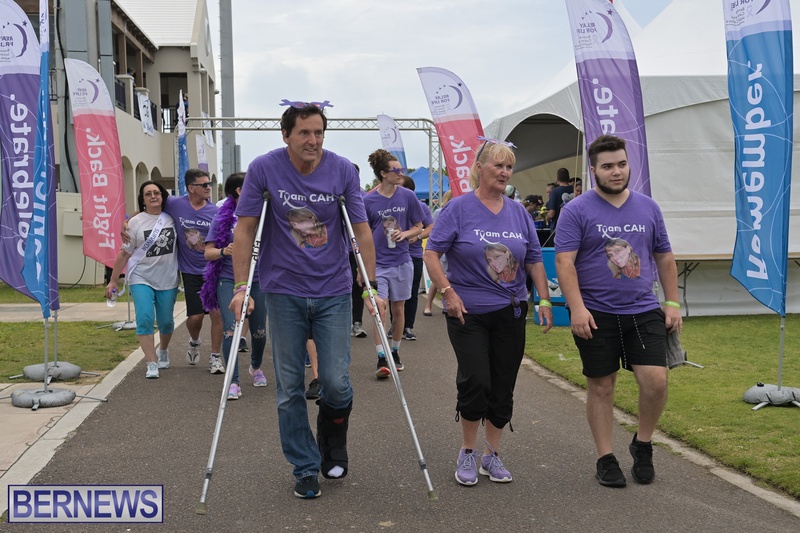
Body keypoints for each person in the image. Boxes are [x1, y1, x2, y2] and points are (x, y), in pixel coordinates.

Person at [230, 101, 384, 499]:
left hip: (333, 290)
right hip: (283, 290)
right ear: (286, 135)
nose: (313, 140)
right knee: (289, 387)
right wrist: (241, 286)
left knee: (335, 382)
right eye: (304, 133)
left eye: (318, 132)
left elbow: (361, 231)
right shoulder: (264, 168)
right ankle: (304, 466)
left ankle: (332, 434)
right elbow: (245, 230)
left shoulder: (342, 170)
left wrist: (370, 286)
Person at [554, 134, 682, 488]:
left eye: (622, 164)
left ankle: (643, 444)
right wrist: (576, 308)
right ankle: (605, 458)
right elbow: (564, 262)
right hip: (595, 312)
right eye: (608, 166)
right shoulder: (576, 210)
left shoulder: (648, 208)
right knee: (602, 386)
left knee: (656, 381)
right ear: (593, 169)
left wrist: (672, 302)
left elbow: (664, 256)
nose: (617, 172)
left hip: (643, 309)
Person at [423, 139, 553, 487]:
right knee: (477, 380)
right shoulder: (458, 208)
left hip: (510, 311)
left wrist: (543, 299)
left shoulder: (518, 213)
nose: (505, 172)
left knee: (502, 384)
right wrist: (447, 292)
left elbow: (533, 259)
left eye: (509, 166)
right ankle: (467, 450)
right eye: (498, 165)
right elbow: (432, 253)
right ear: (479, 168)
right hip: (467, 312)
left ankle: (491, 454)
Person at [201, 173, 269, 400]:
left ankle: (256, 367)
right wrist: (224, 251)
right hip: (228, 279)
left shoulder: (264, 215)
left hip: (258, 279)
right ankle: (233, 381)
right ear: (240, 190)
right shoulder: (222, 219)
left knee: (259, 331)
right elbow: (208, 252)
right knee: (231, 329)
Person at [106, 181, 179, 379]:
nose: (153, 196)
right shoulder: (135, 223)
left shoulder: (172, 217)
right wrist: (113, 281)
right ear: (143, 199)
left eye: (156, 192)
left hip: (168, 278)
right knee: (145, 318)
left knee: (166, 322)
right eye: (148, 194)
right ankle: (151, 361)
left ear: (162, 196)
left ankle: (163, 350)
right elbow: (124, 253)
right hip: (141, 277)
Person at [364, 149, 425, 378]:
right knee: (380, 309)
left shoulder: (407, 196)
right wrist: (362, 267)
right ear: (383, 173)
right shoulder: (368, 200)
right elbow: (363, 234)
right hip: (378, 264)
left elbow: (419, 226)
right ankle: (381, 357)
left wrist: (405, 234)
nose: (401, 173)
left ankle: (395, 352)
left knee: (398, 310)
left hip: (402, 261)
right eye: (396, 170)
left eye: (402, 169)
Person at [399, 175, 433, 341]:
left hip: (414, 255)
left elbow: (431, 227)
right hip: (395, 255)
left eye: (401, 187)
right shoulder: (392, 204)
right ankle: (395, 325)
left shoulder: (420, 206)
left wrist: (417, 237)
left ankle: (408, 326)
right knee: (396, 293)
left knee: (412, 292)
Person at [423, 190, 452, 316]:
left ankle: (447, 306)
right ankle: (428, 305)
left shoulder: (462, 211)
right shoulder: (439, 212)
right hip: (441, 251)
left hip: (453, 251)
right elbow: (433, 230)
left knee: (452, 278)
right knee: (438, 279)